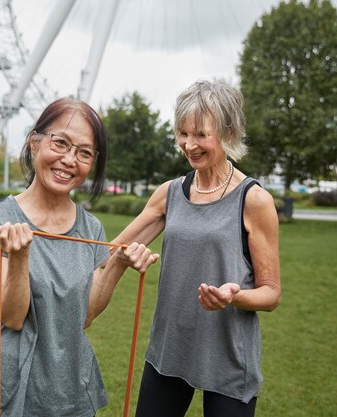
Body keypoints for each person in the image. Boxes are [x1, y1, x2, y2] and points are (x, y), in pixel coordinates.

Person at [0, 98, 159, 417]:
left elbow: (84, 316)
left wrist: (119, 263)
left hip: (70, 384)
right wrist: (20, 257)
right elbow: (12, 317)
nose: (69, 160)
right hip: (14, 386)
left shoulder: (90, 227)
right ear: (34, 142)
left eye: (84, 152)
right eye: (61, 143)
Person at [112, 80, 281, 417]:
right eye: (182, 133)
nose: (189, 145)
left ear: (229, 133)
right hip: (169, 350)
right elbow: (113, 249)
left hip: (229, 358)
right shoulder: (169, 193)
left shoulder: (254, 200)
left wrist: (233, 296)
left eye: (201, 134)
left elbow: (271, 293)